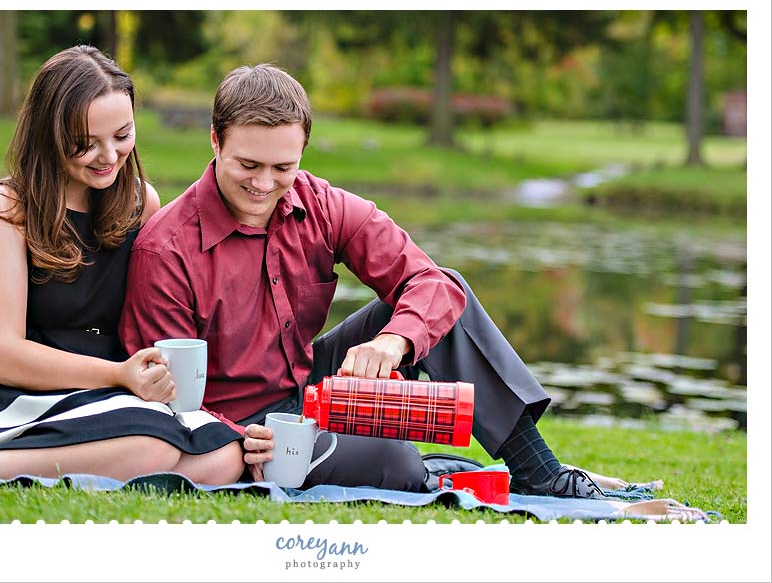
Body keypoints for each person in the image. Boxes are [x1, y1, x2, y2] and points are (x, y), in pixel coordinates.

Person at [119, 64, 605, 497]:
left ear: (302, 152)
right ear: (215, 140)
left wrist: (394, 341)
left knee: (441, 294)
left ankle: (538, 471)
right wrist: (234, 438)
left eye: (283, 168)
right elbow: (164, 398)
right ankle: (420, 468)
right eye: (248, 165)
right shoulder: (164, 249)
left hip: (311, 382)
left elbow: (430, 282)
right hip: (238, 426)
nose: (264, 185)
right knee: (396, 461)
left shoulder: (322, 204)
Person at [0, 46, 243, 484]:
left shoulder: (141, 203)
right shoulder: (6, 210)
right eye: (85, 144)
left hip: (96, 385)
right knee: (152, 445)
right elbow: (0, 357)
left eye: (122, 135)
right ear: (48, 135)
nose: (109, 156)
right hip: (2, 390)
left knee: (224, 456)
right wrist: (119, 376)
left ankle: (106, 460)